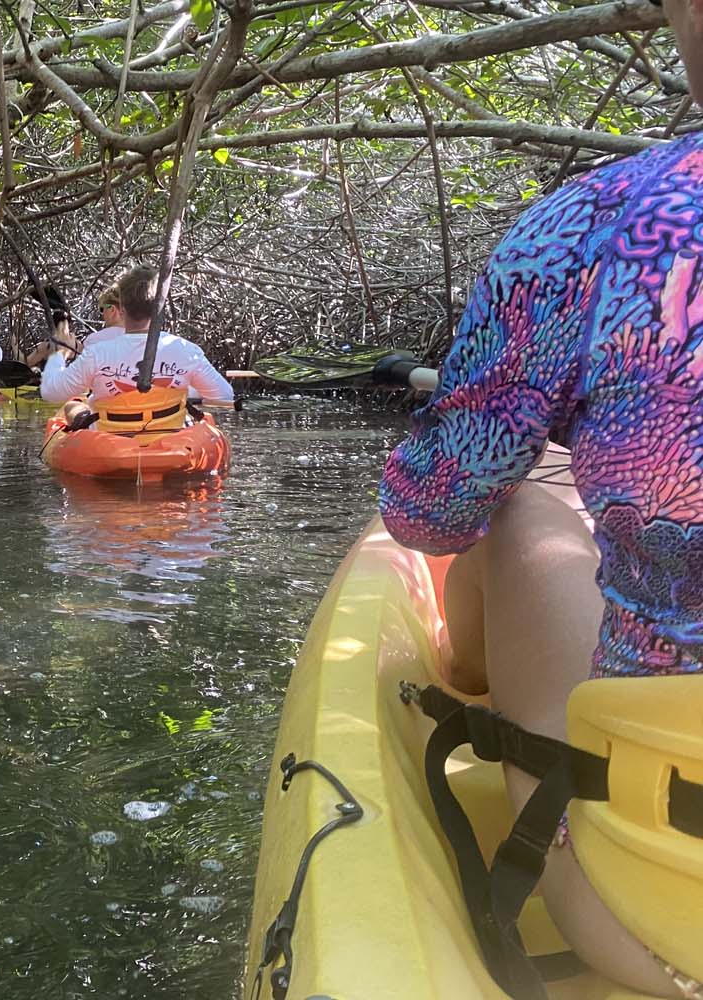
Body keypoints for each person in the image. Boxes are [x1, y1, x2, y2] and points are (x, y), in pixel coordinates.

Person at [378, 0, 703, 992]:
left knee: (509, 504)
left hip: (665, 904)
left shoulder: (598, 229)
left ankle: (468, 658)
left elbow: (428, 514)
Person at [39, 266, 233, 425]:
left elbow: (50, 393)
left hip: (111, 439)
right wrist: (185, 387)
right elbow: (224, 396)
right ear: (160, 307)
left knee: (72, 406)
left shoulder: (97, 354)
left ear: (121, 309)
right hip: (168, 437)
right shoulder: (187, 351)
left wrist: (60, 354)